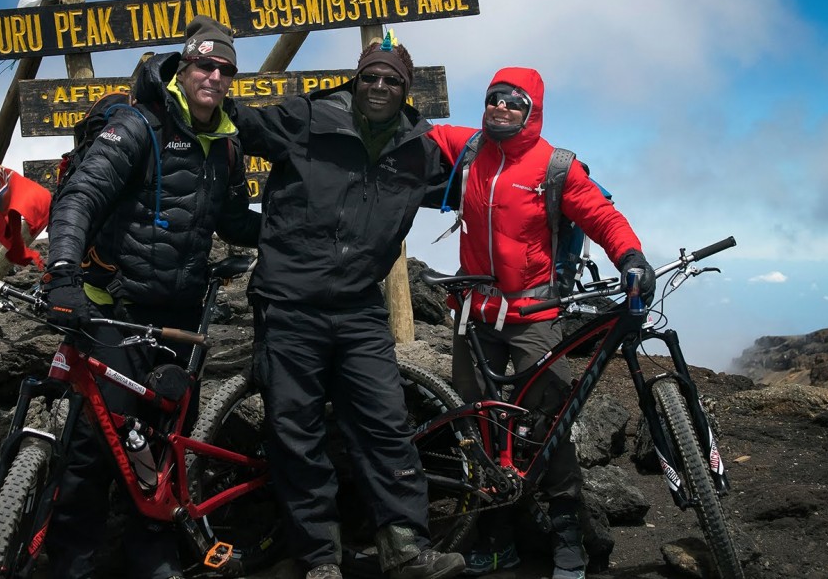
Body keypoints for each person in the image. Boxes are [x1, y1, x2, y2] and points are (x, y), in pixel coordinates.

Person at [228, 33, 466, 579]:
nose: (379, 86)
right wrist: (177, 85)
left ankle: (404, 548)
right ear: (357, 79)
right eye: (371, 77)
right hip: (288, 303)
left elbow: (489, 187)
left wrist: (564, 185)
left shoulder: (420, 150)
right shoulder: (307, 119)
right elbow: (234, 120)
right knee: (297, 431)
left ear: (406, 91)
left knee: (386, 423)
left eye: (392, 80)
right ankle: (319, 560)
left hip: (359, 308)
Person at [42, 15, 260, 579]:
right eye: (204, 64)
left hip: (182, 316)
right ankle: (74, 563)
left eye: (224, 69)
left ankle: (154, 557)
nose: (213, 75)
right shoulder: (138, 127)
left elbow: (235, 220)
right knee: (98, 443)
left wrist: (298, 228)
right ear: (183, 67)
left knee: (166, 443)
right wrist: (62, 272)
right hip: (114, 307)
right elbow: (79, 198)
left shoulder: (226, 146)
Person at [427, 67, 656, 579]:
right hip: (475, 316)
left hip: (534, 317)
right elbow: (410, 128)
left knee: (549, 428)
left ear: (533, 111)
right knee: (482, 427)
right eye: (494, 98)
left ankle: (567, 536)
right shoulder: (468, 149)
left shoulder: (554, 166)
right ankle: (497, 535)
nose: (501, 108)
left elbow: (601, 215)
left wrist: (631, 257)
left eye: (514, 101)